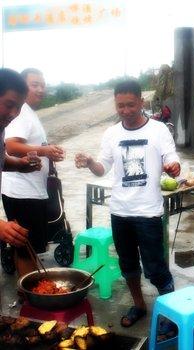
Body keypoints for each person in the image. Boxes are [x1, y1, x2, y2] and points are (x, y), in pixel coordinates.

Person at [75, 79, 180, 329]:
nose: (125, 111)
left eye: (130, 105)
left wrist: (173, 167)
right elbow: (102, 169)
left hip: (148, 212)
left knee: (156, 268)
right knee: (128, 265)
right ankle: (139, 305)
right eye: (120, 106)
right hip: (120, 211)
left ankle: (172, 315)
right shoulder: (111, 134)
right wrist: (90, 161)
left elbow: (172, 158)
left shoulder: (158, 130)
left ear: (141, 102)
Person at [1, 68, 65, 277]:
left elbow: (4, 156)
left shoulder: (10, 119)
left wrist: (18, 165)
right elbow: (12, 145)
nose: (13, 114)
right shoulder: (19, 118)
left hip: (31, 190)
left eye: (17, 107)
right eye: (9, 105)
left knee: (27, 247)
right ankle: (28, 296)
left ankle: (26, 295)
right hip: (23, 193)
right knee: (27, 249)